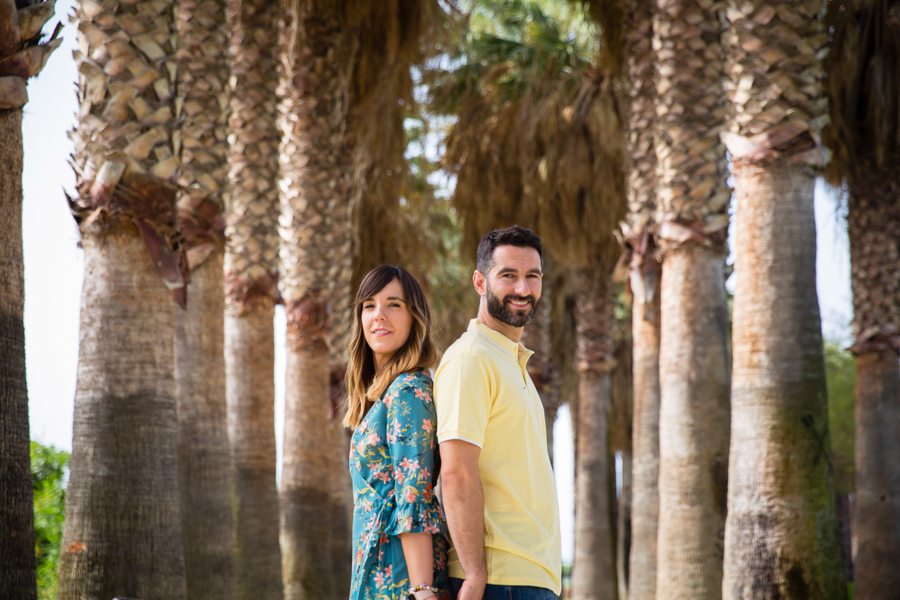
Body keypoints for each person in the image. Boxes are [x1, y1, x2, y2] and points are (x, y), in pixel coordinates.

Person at [434, 226, 561, 600]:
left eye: (532, 277)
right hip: (499, 582)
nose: (522, 289)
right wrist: (474, 576)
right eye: (508, 275)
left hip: (531, 578)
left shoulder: (511, 362)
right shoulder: (471, 359)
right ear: (480, 282)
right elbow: (456, 471)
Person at [345, 265, 451, 600]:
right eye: (369, 305)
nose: (379, 315)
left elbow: (412, 492)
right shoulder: (384, 394)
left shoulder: (408, 390)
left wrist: (422, 590)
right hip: (375, 566)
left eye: (394, 304)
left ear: (414, 317)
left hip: (400, 575)